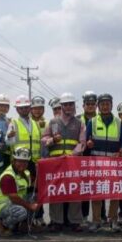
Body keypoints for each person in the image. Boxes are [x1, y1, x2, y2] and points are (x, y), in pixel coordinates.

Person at [42, 92, 86, 232]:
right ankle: (56, 221)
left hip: (73, 162)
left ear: (74, 106)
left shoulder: (79, 123)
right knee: (56, 190)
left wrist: (72, 155)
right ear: (61, 106)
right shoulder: (53, 122)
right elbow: (44, 140)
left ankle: (75, 221)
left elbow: (82, 143)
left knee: (74, 190)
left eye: (70, 104)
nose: (68, 107)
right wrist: (52, 140)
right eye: (65, 105)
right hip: (56, 163)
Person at [85, 93, 122, 232]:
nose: (105, 106)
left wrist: (121, 150)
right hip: (96, 164)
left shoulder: (119, 123)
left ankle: (113, 219)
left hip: (114, 164)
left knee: (115, 192)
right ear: (98, 106)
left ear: (111, 105)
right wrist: (88, 144)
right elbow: (86, 142)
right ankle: (96, 220)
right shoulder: (92, 122)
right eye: (102, 104)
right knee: (97, 193)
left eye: (107, 104)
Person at [7, 95, 45, 225]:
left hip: (34, 163)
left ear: (29, 108)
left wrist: (40, 160)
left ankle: (36, 218)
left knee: (35, 191)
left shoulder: (35, 124)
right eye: (21, 108)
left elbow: (40, 143)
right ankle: (23, 220)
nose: (23, 110)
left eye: (26, 107)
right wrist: (9, 137)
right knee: (21, 191)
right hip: (19, 164)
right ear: (17, 109)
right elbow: (9, 142)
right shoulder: (13, 123)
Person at [0, 147, 41, 236]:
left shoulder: (25, 173)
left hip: (15, 202)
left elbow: (34, 187)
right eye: (20, 161)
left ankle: (25, 225)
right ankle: (2, 225)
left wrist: (39, 172)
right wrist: (30, 206)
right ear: (13, 161)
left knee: (36, 197)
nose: (23, 164)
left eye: (25, 162)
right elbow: (14, 198)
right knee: (21, 212)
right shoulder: (8, 176)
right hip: (1, 206)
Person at [77, 90, 98, 223]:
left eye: (92, 104)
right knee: (84, 188)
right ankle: (83, 216)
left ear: (96, 106)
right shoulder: (78, 120)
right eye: (87, 104)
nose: (90, 106)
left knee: (99, 187)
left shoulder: (101, 119)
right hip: (82, 157)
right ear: (83, 105)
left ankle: (100, 216)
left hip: (97, 158)